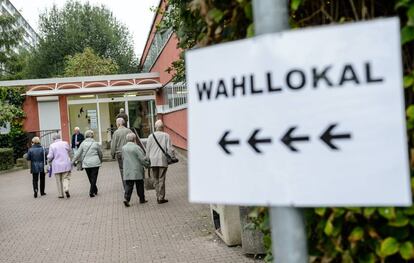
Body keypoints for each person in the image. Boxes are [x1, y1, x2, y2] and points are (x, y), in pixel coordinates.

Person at [145, 120, 176, 204]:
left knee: (155, 179)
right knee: (161, 178)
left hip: (153, 160)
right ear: (162, 127)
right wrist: (172, 157)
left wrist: (147, 159)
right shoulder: (166, 135)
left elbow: (147, 149)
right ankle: (161, 198)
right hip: (162, 160)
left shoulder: (151, 136)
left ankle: (157, 195)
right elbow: (169, 149)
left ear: (155, 127)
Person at [122, 132, 150, 207]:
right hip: (136, 169)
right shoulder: (136, 147)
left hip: (127, 169)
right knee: (140, 185)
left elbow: (123, 158)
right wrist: (147, 164)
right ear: (134, 139)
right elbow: (142, 158)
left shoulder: (123, 148)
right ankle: (142, 199)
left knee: (129, 185)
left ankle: (126, 199)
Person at [73, 130, 102, 197]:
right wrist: (100, 160)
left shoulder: (83, 143)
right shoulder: (95, 143)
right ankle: (93, 190)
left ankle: (93, 190)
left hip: (86, 163)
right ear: (92, 136)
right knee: (94, 177)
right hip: (95, 163)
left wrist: (72, 161)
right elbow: (100, 153)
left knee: (90, 177)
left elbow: (77, 154)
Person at [47, 133, 72, 199]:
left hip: (56, 165)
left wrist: (48, 160)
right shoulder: (65, 143)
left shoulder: (52, 145)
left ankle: (61, 194)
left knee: (58, 180)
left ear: (53, 139)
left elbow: (50, 156)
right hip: (65, 164)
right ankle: (66, 188)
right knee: (66, 178)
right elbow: (69, 151)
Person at [111, 118, 133, 189]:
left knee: (122, 170)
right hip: (129, 152)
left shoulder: (116, 133)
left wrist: (113, 154)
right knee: (130, 168)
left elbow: (113, 145)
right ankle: (130, 184)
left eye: (116, 123)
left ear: (118, 124)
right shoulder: (129, 131)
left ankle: (126, 187)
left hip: (120, 153)